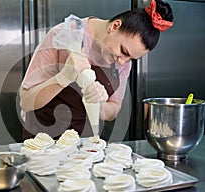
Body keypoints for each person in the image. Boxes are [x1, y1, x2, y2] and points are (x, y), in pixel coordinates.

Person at [19, 0, 174, 140]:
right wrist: (62, 78)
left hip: (85, 146)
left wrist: (99, 104)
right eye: (124, 52)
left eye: (131, 59)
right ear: (115, 26)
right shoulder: (65, 35)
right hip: (43, 142)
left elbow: (113, 110)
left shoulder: (123, 61)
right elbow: (26, 101)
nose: (123, 62)